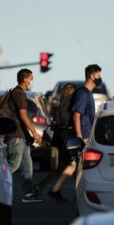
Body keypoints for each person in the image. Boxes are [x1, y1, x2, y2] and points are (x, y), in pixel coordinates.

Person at [48, 64, 102, 201]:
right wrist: (79, 136)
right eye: (98, 75)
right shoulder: (83, 93)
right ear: (91, 76)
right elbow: (76, 115)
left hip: (85, 134)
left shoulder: (86, 93)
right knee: (80, 165)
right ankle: (76, 193)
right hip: (83, 135)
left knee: (76, 165)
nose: (100, 78)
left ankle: (58, 190)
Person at [5, 68, 43, 203]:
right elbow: (22, 115)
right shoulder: (19, 93)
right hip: (16, 136)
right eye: (31, 78)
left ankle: (28, 194)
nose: (32, 81)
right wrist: (34, 133)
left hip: (22, 136)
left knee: (28, 165)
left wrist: (29, 135)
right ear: (25, 79)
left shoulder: (18, 92)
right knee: (13, 165)